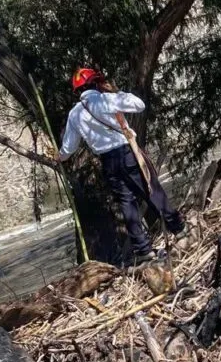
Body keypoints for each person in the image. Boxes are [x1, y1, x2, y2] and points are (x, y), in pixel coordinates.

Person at [58, 67, 186, 262]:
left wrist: (59, 157)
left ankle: (143, 250)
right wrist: (116, 93)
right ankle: (179, 229)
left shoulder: (74, 114)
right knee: (151, 190)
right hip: (127, 153)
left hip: (108, 162)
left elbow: (68, 148)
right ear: (96, 83)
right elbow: (139, 105)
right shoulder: (106, 99)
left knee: (126, 203)